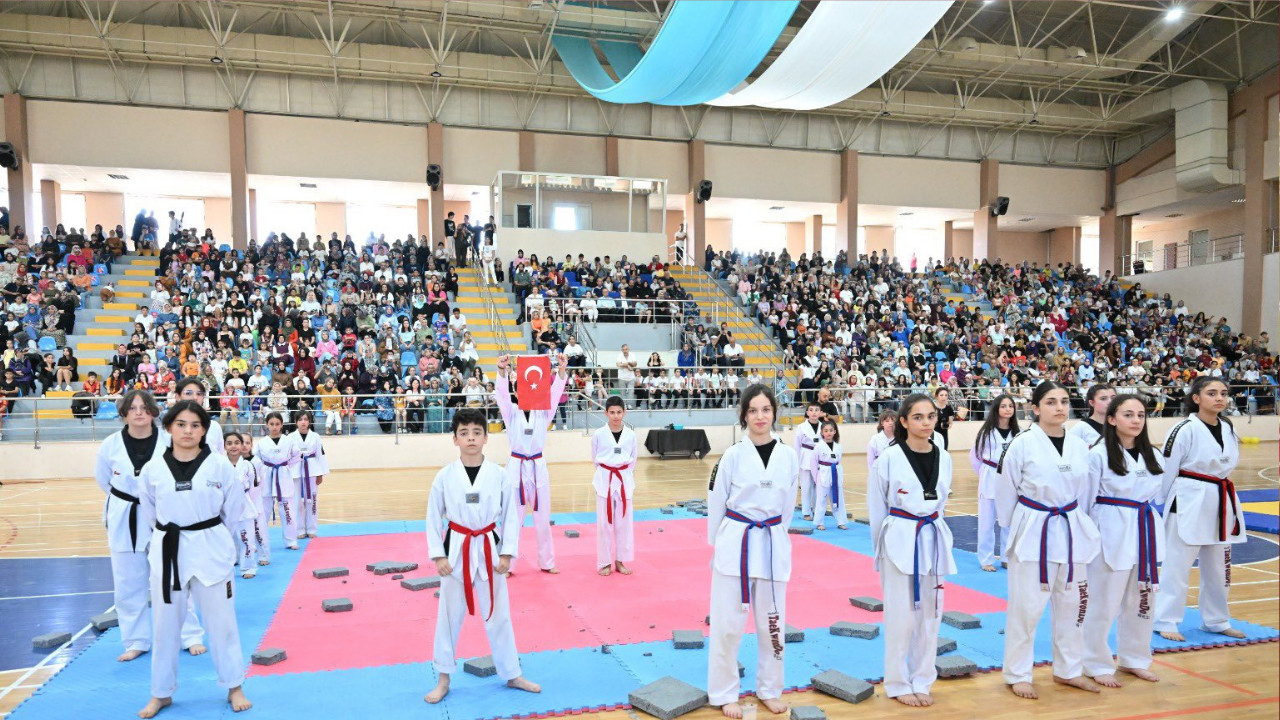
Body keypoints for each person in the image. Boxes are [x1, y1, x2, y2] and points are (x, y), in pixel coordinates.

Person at [136, 400, 251, 718]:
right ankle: (161, 692)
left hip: (210, 546)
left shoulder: (219, 466)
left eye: (195, 425)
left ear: (204, 431)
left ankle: (234, 685)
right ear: (168, 428)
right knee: (165, 626)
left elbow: (233, 509)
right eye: (181, 424)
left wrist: (211, 535)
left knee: (222, 623)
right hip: (168, 548)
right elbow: (150, 512)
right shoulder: (153, 469)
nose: (188, 430)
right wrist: (172, 532)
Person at [424, 408, 541, 704]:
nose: (471, 438)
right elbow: (432, 517)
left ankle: (512, 673)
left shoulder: (499, 475)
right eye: (464, 433)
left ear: (486, 438)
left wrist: (507, 553)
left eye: (477, 432)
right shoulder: (444, 476)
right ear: (455, 439)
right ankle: (443, 678)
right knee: (448, 617)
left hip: (489, 548)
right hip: (456, 550)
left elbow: (511, 516)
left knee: (499, 615)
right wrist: (438, 556)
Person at [996, 380, 1102, 699]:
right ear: (1036, 408)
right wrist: (1015, 530)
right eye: (1051, 402)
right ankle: (1018, 673)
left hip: (1070, 528)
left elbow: (1085, 491)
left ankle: (1069, 670)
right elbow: (1005, 492)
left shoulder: (1079, 444)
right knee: (1026, 608)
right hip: (1034, 530)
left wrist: (1078, 521)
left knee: (1073, 606)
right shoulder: (1021, 444)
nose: (1059, 407)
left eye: (1064, 401)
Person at [707, 384, 798, 718]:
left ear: (774, 412)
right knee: (727, 626)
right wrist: (719, 546)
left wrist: (776, 534)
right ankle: (723, 692)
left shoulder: (789, 456)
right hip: (736, 545)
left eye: (766, 409)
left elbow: (787, 508)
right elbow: (715, 502)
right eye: (753, 410)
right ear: (744, 415)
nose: (760, 416)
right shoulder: (732, 455)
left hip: (772, 543)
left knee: (773, 625)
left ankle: (770, 689)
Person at [93, 389, 204, 663]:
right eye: (133, 408)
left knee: (174, 576)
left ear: (154, 412)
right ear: (124, 413)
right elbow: (104, 480)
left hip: (164, 513)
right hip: (125, 514)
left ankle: (189, 636)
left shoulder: (168, 440)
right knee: (128, 582)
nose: (139, 413)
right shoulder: (110, 445)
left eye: (144, 407)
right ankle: (136, 641)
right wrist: (131, 499)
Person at [869, 394, 957, 707]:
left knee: (931, 615)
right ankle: (896, 682)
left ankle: (922, 679)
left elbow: (941, 503)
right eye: (918, 417)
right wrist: (879, 550)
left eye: (931, 416)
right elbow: (877, 508)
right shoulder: (888, 459)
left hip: (931, 537)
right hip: (898, 539)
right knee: (900, 617)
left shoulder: (944, 456)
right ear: (904, 422)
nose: (926, 423)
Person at [1154, 377, 1247, 642]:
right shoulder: (1183, 429)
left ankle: (1216, 620)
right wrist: (1164, 501)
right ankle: (1166, 619)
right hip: (1188, 497)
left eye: (1223, 393)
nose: (1219, 398)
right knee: (1177, 564)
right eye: (1212, 393)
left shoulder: (1227, 426)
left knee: (1219, 567)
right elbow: (1167, 468)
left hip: (1220, 497)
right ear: (1196, 398)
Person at [1082, 394, 1165, 687]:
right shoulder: (1097, 454)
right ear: (1112, 419)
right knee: (1103, 601)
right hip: (1110, 529)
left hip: (1144, 527)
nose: (1136, 420)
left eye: (1141, 415)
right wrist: (1087, 540)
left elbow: (1157, 495)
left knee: (1142, 599)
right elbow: (1086, 501)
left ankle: (1135, 659)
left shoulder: (1153, 454)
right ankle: (1094, 662)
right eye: (1128, 415)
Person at [493, 353, 567, 574]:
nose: (523, 392)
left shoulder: (543, 411)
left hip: (537, 466)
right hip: (516, 466)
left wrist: (561, 370)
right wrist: (502, 370)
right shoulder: (511, 412)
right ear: (516, 392)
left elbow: (555, 395)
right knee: (512, 519)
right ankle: (507, 564)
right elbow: (501, 395)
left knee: (543, 519)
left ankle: (547, 562)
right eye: (519, 389)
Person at [969, 395, 1020, 571]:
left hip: (1010, 478)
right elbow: (975, 456)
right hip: (990, 475)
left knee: (1008, 521)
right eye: (1003, 406)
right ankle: (986, 560)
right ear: (996, 408)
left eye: (1011, 406)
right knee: (986, 522)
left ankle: (1007, 557)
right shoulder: (986, 432)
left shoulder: (1018, 433)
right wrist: (985, 473)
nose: (1008, 409)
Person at [592, 396, 636, 576]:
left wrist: (624, 474)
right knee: (604, 524)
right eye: (612, 412)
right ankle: (604, 562)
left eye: (619, 412)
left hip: (624, 478)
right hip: (605, 479)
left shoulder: (631, 435)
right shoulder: (598, 434)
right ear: (606, 413)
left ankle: (620, 560)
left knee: (624, 523)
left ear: (624, 412)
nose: (615, 416)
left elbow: (633, 459)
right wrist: (605, 472)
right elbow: (595, 458)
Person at [254, 412, 299, 551]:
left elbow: (297, 455)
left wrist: (286, 466)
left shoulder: (289, 441)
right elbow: (256, 460)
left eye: (277, 424)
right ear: (267, 425)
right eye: (271, 424)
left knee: (287, 511)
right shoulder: (261, 443)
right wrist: (261, 472)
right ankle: (258, 542)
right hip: (266, 477)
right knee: (263, 512)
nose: (274, 427)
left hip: (283, 476)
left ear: (281, 425)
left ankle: (291, 540)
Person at [223, 432, 263, 579]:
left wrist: (252, 505)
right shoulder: (220, 465)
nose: (233, 446)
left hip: (245, 506)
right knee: (226, 540)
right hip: (225, 506)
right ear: (224, 446)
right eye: (229, 443)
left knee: (247, 539)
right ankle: (227, 566)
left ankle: (248, 567)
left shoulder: (248, 465)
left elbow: (253, 489)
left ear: (241, 445)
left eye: (236, 443)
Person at [285, 410, 328, 539]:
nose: (303, 422)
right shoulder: (290, 437)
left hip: (312, 470)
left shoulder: (315, 436)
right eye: (300, 420)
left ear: (309, 421)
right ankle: (299, 530)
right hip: (295, 472)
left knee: (312, 501)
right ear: (296, 422)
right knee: (297, 502)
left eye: (305, 419)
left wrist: (321, 473)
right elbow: (286, 457)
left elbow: (321, 454)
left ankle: (312, 529)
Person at [809, 419, 846, 531]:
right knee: (821, 499)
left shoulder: (838, 446)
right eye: (826, 430)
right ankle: (819, 522)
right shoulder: (818, 446)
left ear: (835, 431)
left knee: (838, 498)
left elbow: (839, 461)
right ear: (822, 432)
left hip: (836, 472)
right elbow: (813, 463)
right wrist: (816, 478)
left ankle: (841, 521)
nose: (828, 433)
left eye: (831, 430)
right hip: (823, 474)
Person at [175, 377, 224, 455]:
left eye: (199, 394)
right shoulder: (168, 428)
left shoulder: (214, 427)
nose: (195, 398)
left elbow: (220, 456)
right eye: (188, 393)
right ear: (178, 397)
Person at [793, 402, 823, 521]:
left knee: (818, 486)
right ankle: (806, 512)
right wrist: (796, 461)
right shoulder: (801, 427)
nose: (814, 412)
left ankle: (817, 510)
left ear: (820, 413)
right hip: (805, 456)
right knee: (806, 486)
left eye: (816, 410)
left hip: (819, 458)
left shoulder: (824, 426)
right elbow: (797, 445)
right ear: (807, 413)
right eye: (811, 410)